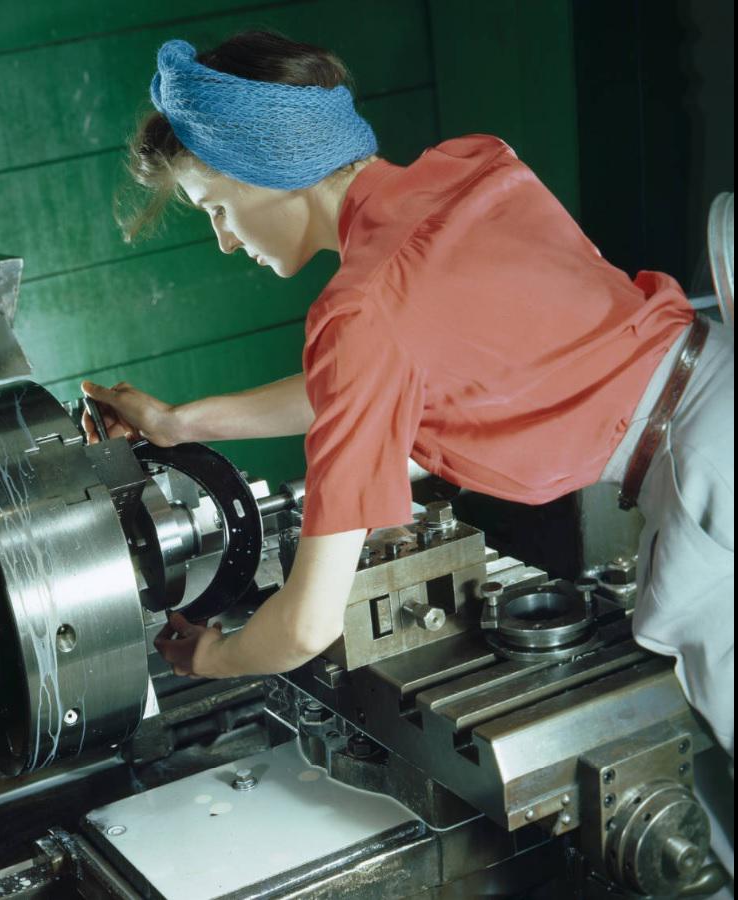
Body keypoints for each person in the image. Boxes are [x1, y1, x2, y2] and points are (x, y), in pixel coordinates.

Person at [81, 33, 734, 762]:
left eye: (217, 208)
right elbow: (370, 385)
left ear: (265, 168)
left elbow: (307, 625)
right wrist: (179, 422)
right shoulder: (466, 168)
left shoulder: (361, 311)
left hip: (709, 477)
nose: (226, 241)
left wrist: (211, 656)